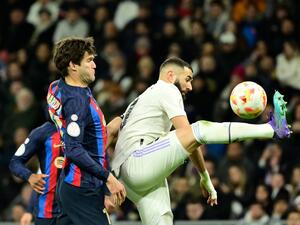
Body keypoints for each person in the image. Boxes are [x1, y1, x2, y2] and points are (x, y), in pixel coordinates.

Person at [111, 57, 291, 225]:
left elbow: (112, 129)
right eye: (188, 79)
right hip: (137, 162)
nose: (190, 86)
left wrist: (205, 178)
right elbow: (191, 134)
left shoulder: (141, 99)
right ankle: (272, 129)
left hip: (128, 177)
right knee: (200, 128)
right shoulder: (166, 89)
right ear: (171, 75)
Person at [47, 37, 126, 225]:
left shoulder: (56, 87)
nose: (94, 65)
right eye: (89, 60)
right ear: (73, 65)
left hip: (69, 184)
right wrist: (109, 179)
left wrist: (106, 131)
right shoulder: (77, 101)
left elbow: (78, 135)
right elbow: (73, 148)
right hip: (83, 187)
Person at [9, 121, 63, 225]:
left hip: (75, 209)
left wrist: (105, 193)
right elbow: (15, 163)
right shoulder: (43, 132)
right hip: (47, 212)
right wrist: (29, 176)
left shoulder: (83, 129)